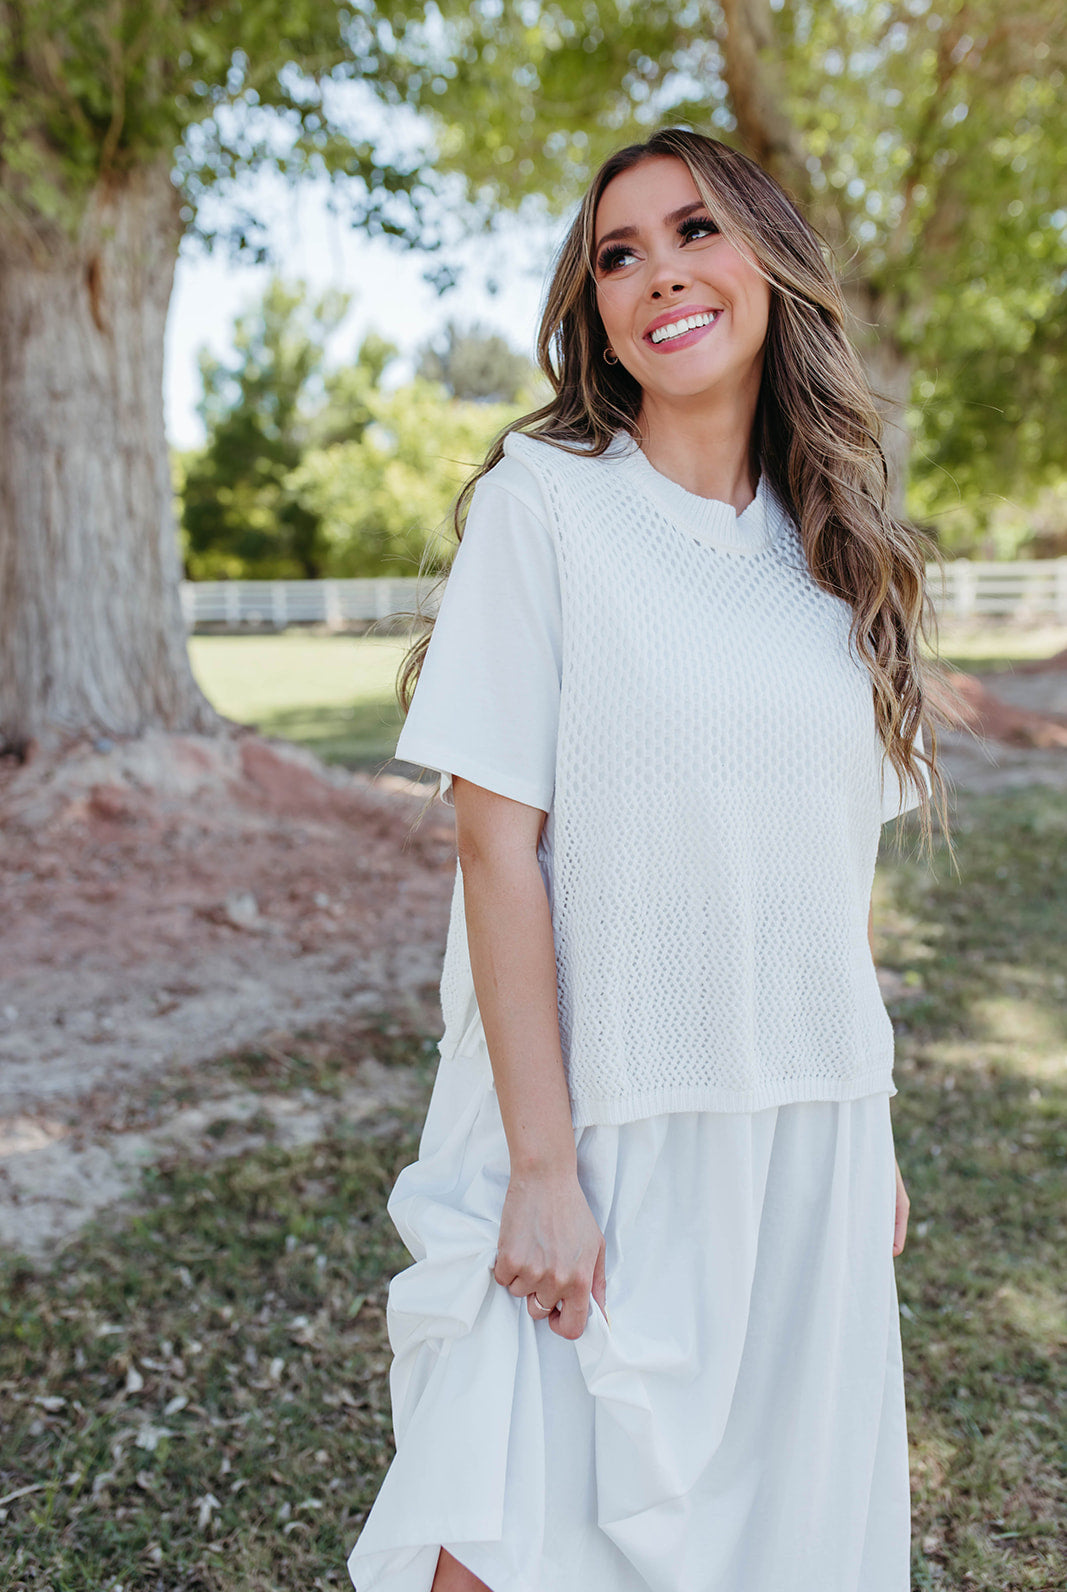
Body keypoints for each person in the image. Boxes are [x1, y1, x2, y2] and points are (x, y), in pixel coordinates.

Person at [347, 126, 951, 1592]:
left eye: (695, 233)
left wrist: (863, 1125)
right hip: (595, 1135)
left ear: (767, 267)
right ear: (595, 309)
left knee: (775, 1552)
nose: (659, 274)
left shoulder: (841, 563)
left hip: (801, 1134)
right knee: (501, 1542)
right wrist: (543, 1174)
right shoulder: (544, 507)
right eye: (619, 254)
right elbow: (499, 855)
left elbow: (825, 877)